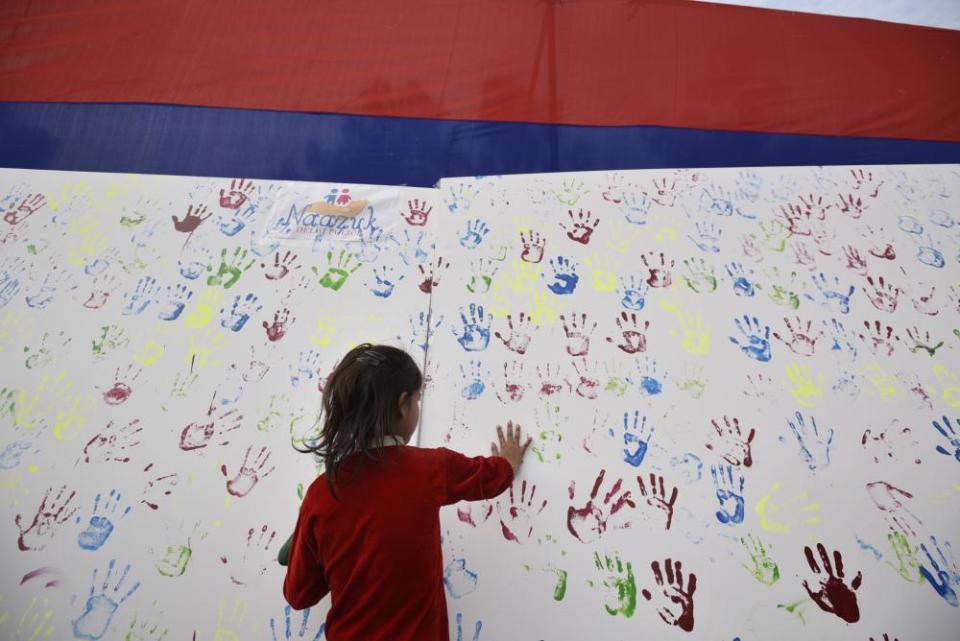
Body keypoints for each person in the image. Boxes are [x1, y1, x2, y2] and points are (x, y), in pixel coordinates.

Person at [281, 343, 531, 640]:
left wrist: (313, 542)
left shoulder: (320, 495)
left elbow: (299, 595)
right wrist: (508, 462)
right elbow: (487, 478)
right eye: (417, 401)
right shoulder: (429, 470)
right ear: (403, 404)